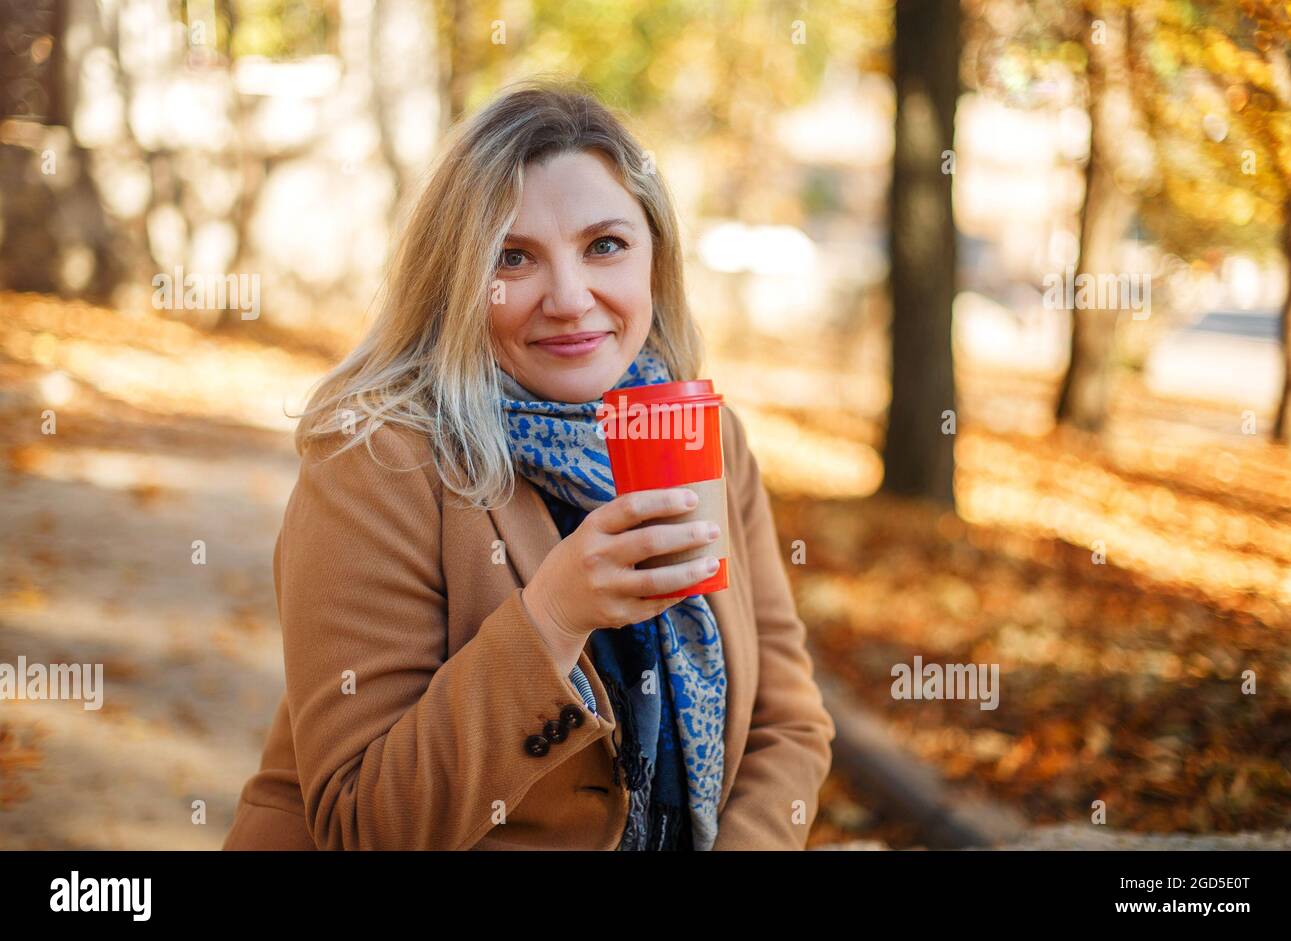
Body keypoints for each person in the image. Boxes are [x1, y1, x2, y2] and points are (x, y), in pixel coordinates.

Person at [222, 78, 835, 851]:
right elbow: (362, 823)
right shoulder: (377, 459)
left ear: (655, 255)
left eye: (604, 245)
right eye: (513, 257)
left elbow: (790, 719)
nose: (571, 298)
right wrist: (553, 616)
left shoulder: (702, 435)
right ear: (457, 276)